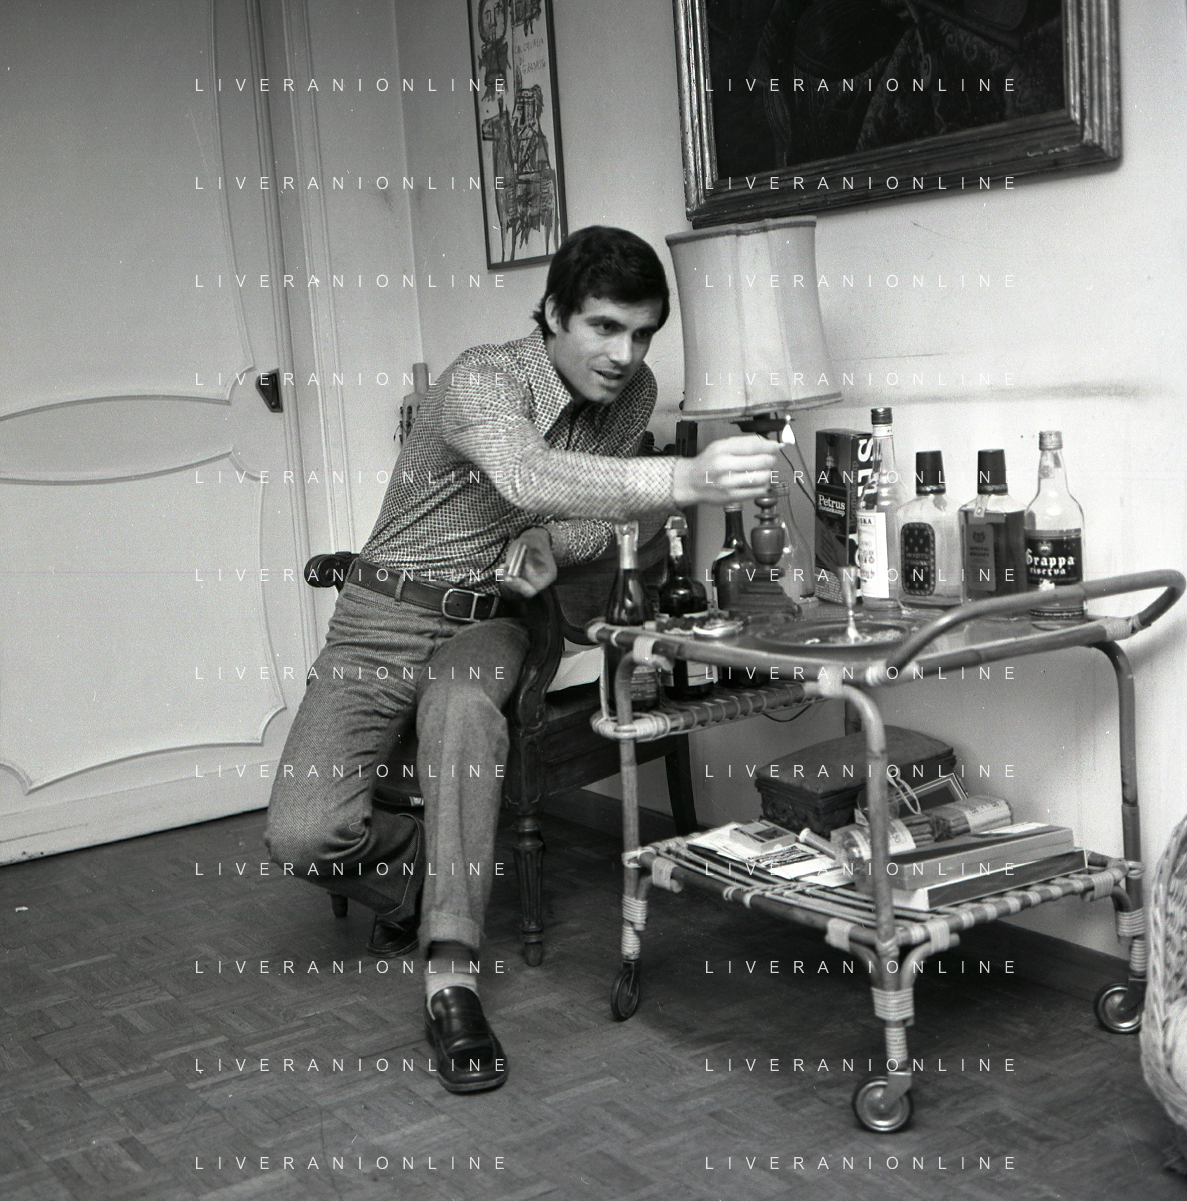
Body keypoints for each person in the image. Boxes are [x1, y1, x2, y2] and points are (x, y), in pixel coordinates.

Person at [265, 225, 780, 1094]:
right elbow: (527, 473)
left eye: (642, 333)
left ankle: (451, 976)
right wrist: (685, 479)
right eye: (604, 327)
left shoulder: (631, 395)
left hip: (493, 620)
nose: (624, 355)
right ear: (551, 313)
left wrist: (548, 543)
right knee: (303, 833)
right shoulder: (483, 379)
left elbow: (586, 516)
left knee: (463, 707)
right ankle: (428, 866)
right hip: (381, 615)